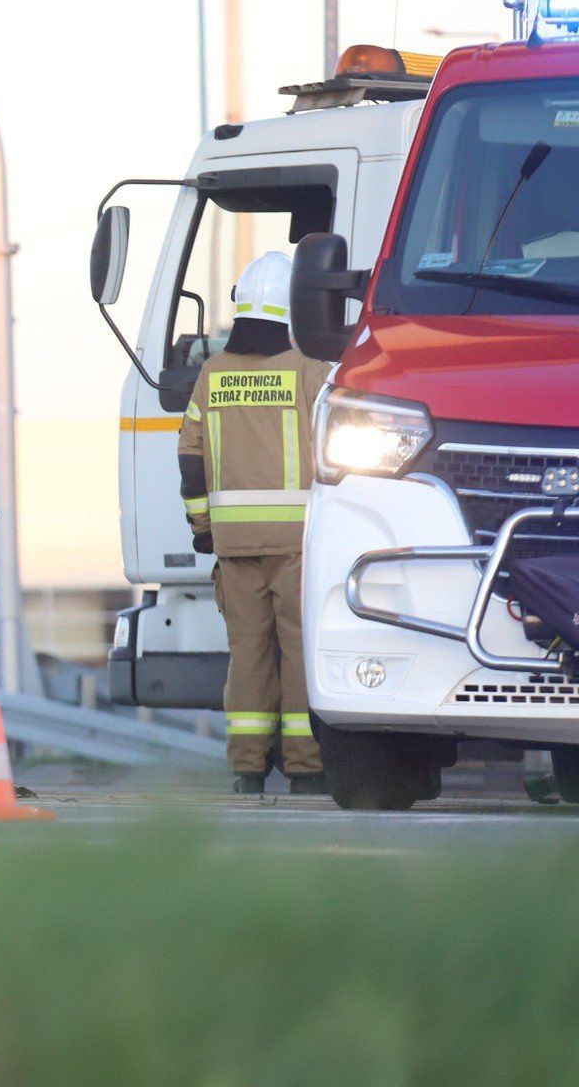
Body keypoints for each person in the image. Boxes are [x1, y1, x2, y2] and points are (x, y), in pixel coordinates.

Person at [177, 251, 329, 795]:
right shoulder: (310, 372)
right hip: (299, 547)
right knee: (298, 652)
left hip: (234, 545)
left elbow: (190, 458)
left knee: (248, 655)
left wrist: (202, 528)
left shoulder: (212, 375)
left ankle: (246, 767)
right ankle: (306, 768)